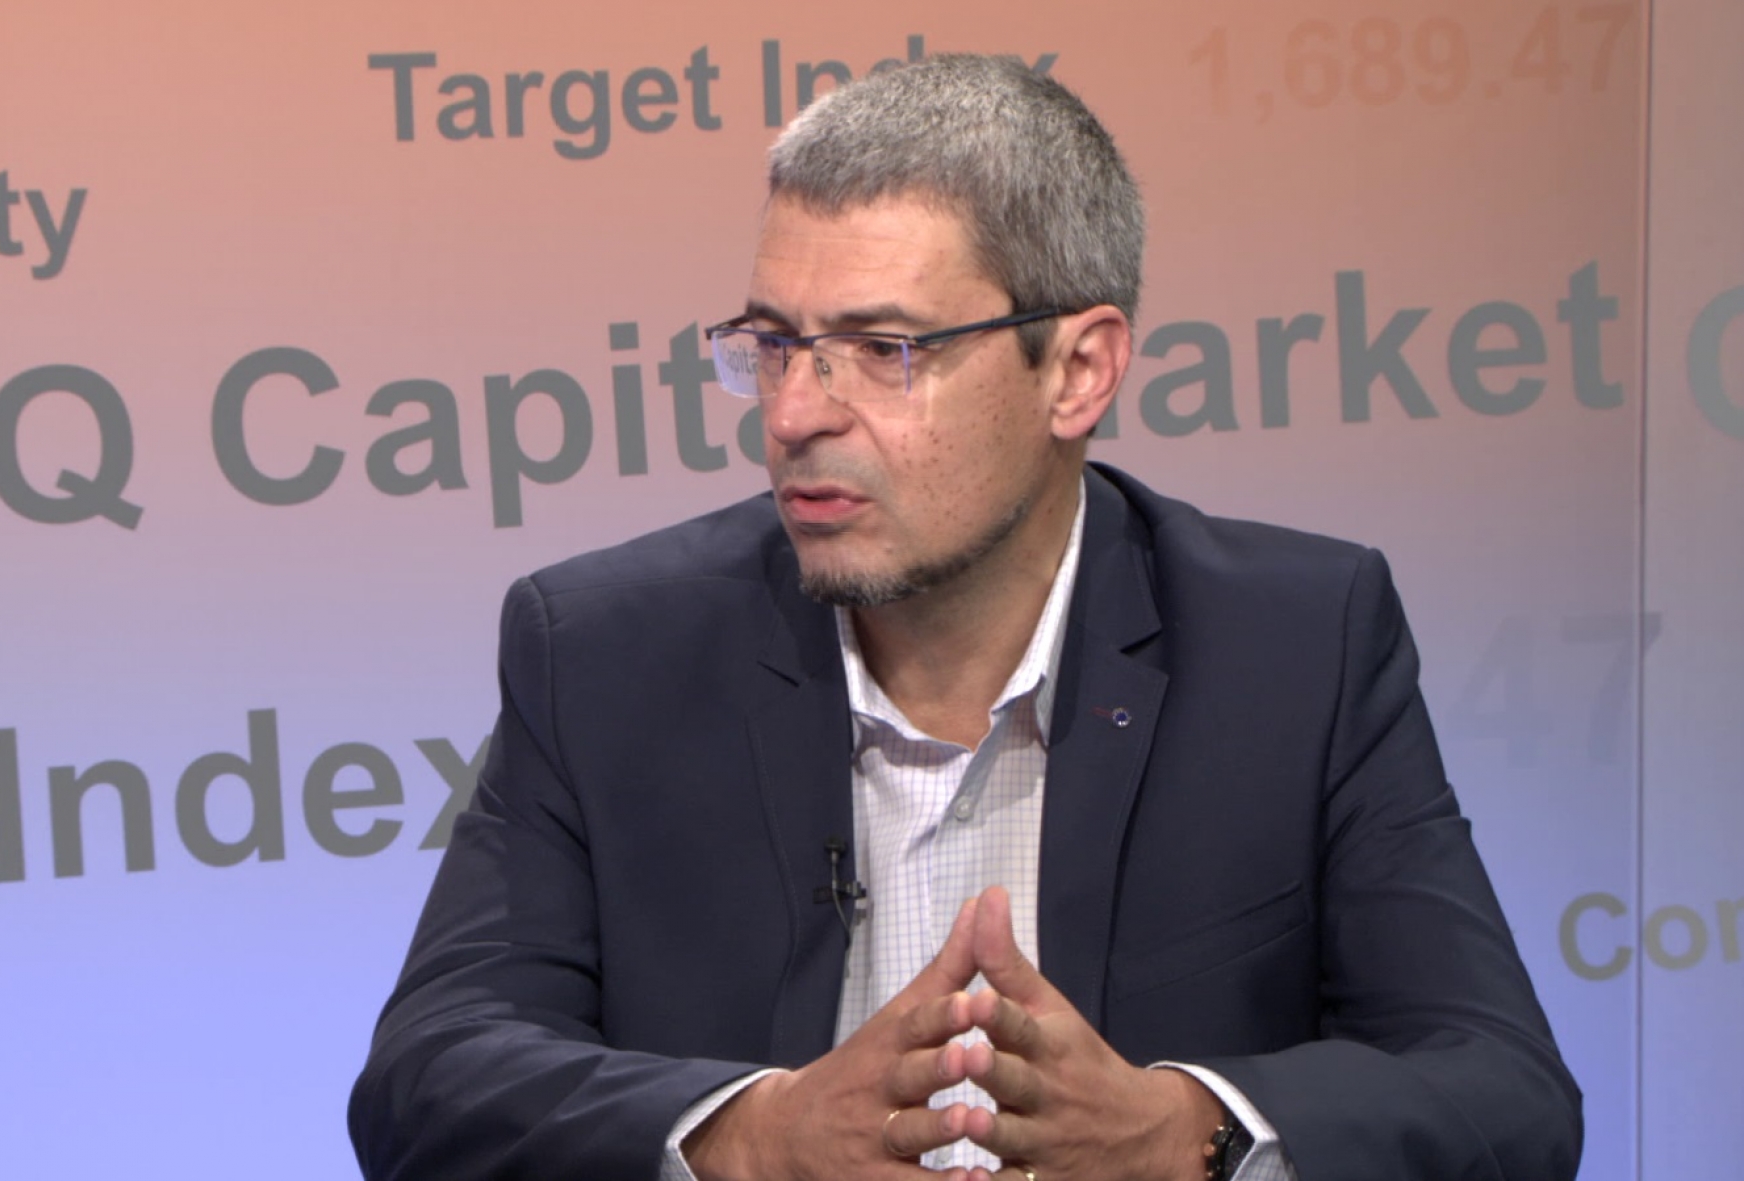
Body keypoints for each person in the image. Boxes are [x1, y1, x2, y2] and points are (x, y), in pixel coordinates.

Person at [349, 54, 1582, 1181]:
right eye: (773, 344)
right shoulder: (603, 652)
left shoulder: (1295, 646)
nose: (795, 415)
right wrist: (752, 1137)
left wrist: (1183, 1131)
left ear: (1078, 371)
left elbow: (1506, 1095)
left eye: (883, 348)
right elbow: (426, 1083)